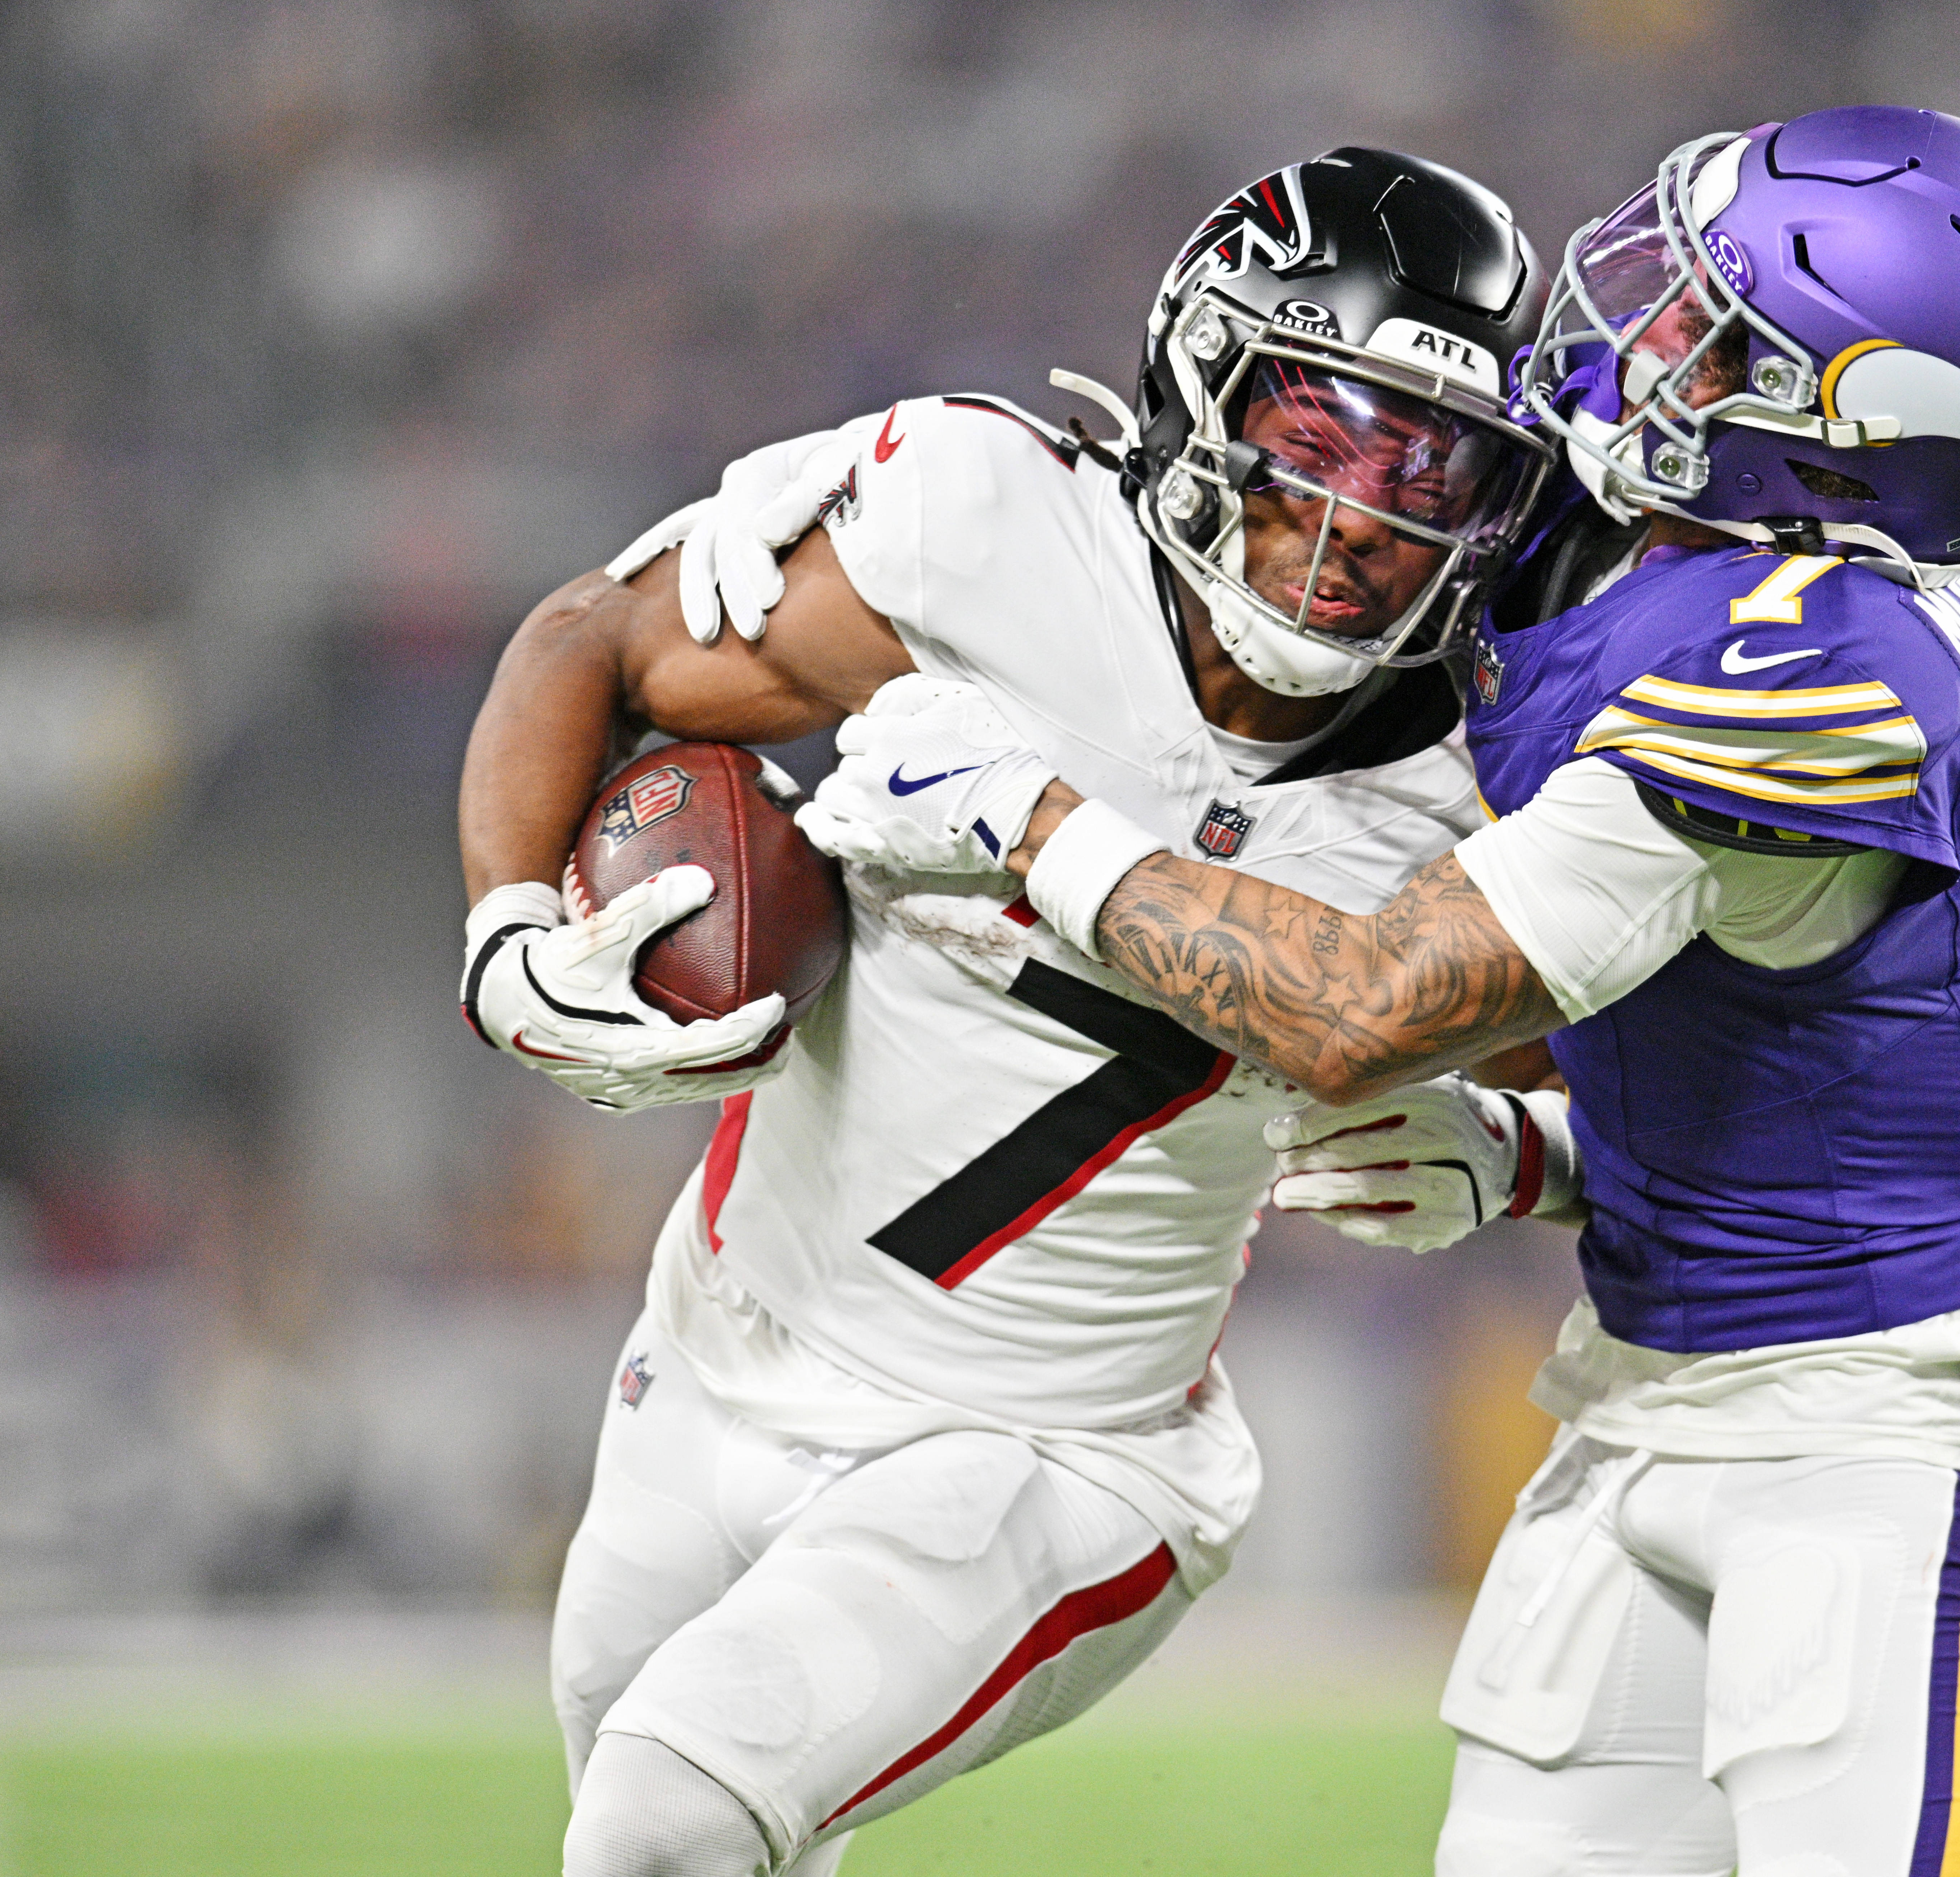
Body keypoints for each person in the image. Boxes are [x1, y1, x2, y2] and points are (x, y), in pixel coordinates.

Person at [797, 107, 1960, 1877]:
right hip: (1638, 1378)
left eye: (1716, 338)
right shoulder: (1615, 529)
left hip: (1870, 1427)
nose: (1640, 328)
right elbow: (1764, 1056)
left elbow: (1356, 1010)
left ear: (1849, 449)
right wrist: (1539, 1164)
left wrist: (1027, 823)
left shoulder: (1834, 668)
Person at [454, 148, 1553, 1877]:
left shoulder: (1474, 777)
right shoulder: (982, 524)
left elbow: (1681, 1088)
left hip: (1056, 1449)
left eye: (1431, 467)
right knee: (654, 1814)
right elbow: (594, 639)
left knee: (663, 1819)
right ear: (1202, 387)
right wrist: (514, 934)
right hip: (715, 1348)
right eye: (1319, 441)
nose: (1361, 524)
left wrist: (1537, 1151)